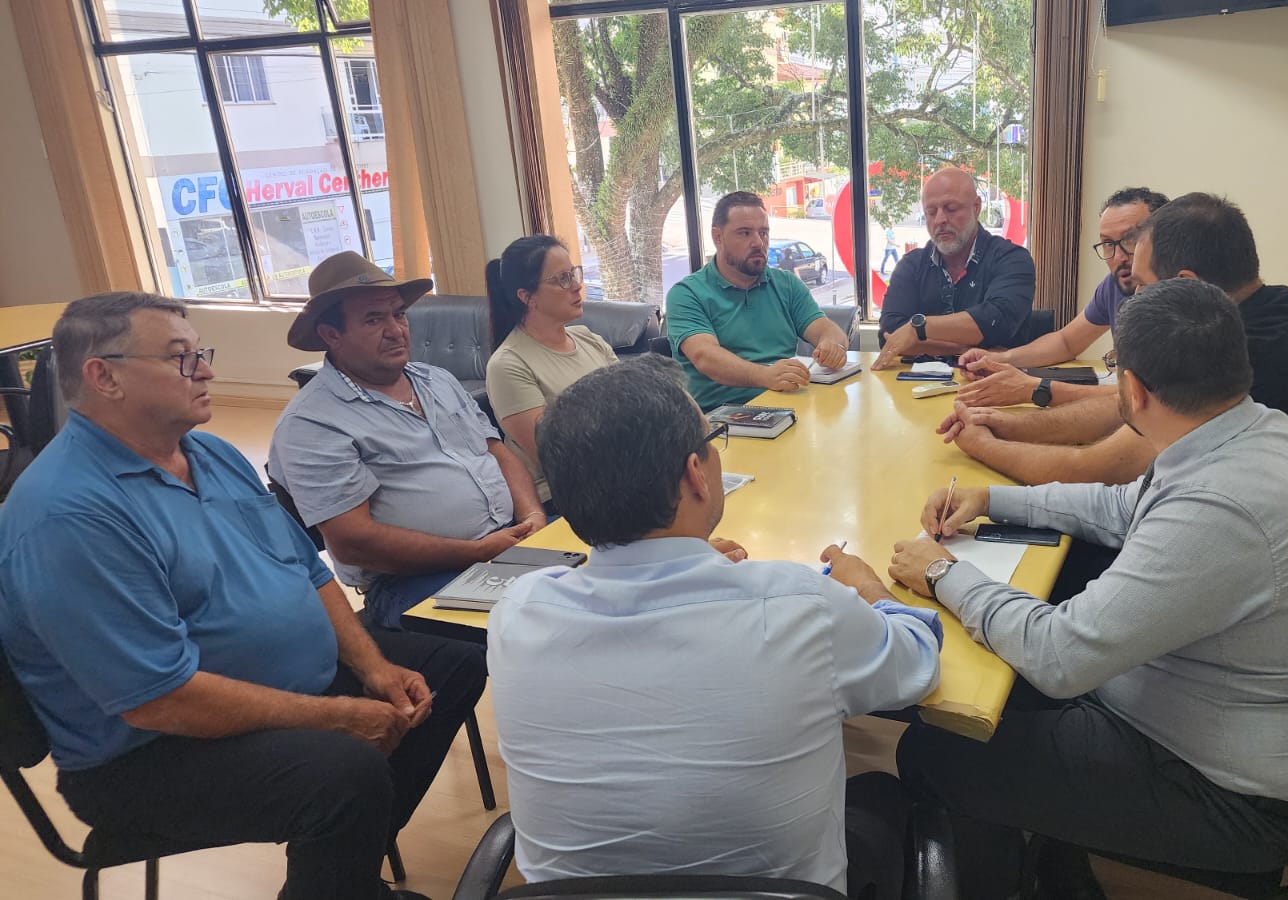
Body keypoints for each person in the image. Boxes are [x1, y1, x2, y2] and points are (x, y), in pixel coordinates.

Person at [887, 279, 1288, 898]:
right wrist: (993, 499)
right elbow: (1121, 507)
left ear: (1133, 391)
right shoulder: (1253, 430)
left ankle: (1016, 877)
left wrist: (941, 573)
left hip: (1220, 792)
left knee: (935, 752)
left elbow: (1060, 658)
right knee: (994, 688)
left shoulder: (1219, 507)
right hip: (1207, 716)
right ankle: (1050, 862)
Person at [0, 293, 486, 900]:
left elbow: (308, 573)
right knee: (346, 771)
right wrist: (341, 716)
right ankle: (338, 869)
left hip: (272, 688)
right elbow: (160, 701)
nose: (206, 370)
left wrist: (376, 669)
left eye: (199, 352)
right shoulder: (69, 514)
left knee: (452, 665)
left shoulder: (210, 453)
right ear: (105, 377)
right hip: (150, 753)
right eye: (180, 358)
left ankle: (338, 874)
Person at [487, 355, 942, 897]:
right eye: (713, 440)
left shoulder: (516, 613)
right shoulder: (800, 606)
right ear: (695, 473)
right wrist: (866, 588)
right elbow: (918, 662)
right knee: (882, 794)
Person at [939, 193, 1288, 496]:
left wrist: (984, 444)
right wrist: (1005, 423)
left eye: (1144, 285)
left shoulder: (1239, 354)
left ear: (1186, 285)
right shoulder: (1269, 314)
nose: (1135, 295)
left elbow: (1097, 469)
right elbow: (1130, 408)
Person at [270, 252, 545, 630]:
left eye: (398, 314)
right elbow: (353, 541)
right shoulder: (312, 424)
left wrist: (533, 516)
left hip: (507, 544)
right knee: (541, 623)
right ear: (331, 335)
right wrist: (476, 551)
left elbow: (497, 452)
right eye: (373, 319)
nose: (395, 330)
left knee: (607, 577)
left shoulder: (436, 380)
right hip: (415, 580)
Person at [956, 187, 1168, 408]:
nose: (1119, 257)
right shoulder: (1114, 286)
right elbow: (1066, 342)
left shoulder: (1179, 301)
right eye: (1108, 244)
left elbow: (1150, 400)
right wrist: (1000, 359)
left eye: (1131, 240)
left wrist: (1036, 389)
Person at [667, 192, 852, 409]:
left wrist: (832, 345)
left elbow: (826, 330)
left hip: (785, 406)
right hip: (721, 415)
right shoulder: (687, 294)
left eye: (763, 233)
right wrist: (766, 376)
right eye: (745, 233)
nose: (758, 242)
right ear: (718, 237)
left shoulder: (786, 284)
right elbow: (705, 357)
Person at [485, 235, 618, 515]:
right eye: (562, 279)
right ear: (527, 297)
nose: (577, 286)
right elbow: (557, 455)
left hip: (621, 476)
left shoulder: (588, 338)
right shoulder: (508, 364)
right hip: (567, 497)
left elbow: (637, 402)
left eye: (574, 274)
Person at [874, 168, 1037, 368]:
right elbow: (889, 334)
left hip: (994, 381)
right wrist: (963, 349)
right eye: (931, 212)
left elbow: (996, 323)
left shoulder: (1012, 259)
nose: (940, 220)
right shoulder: (911, 265)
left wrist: (917, 329)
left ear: (976, 207)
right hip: (915, 383)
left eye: (951, 209)